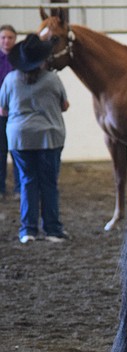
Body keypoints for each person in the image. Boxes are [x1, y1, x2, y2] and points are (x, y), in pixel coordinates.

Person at [0, 33, 70, 243]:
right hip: (49, 137)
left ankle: (28, 230)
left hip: (20, 138)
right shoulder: (52, 79)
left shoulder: (10, 79)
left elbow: (3, 110)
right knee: (49, 183)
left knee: (27, 182)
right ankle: (52, 230)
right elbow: (64, 106)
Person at [0, 24, 17, 199]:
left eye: (10, 38)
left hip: (16, 112)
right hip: (0, 113)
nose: (6, 41)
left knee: (18, 151)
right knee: (1, 151)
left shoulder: (21, 60)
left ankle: (19, 188)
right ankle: (1, 187)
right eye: (3, 37)